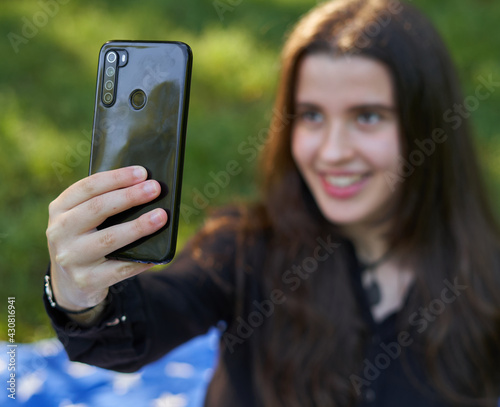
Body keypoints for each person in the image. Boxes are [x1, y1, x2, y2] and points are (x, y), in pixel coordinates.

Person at [44, 0, 500, 406]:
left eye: (367, 116)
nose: (333, 150)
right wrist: (81, 297)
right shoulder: (244, 250)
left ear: (426, 127)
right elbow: (136, 330)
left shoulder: (485, 277)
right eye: (312, 116)